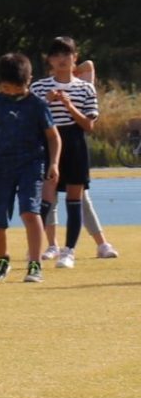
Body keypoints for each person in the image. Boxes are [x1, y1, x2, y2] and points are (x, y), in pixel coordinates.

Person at [0, 53, 60, 284]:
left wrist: (54, 163)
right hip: (1, 167)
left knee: (30, 212)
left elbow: (53, 137)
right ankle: (2, 259)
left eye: (17, 88)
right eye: (6, 87)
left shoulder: (37, 105)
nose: (12, 92)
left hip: (31, 166)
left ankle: (35, 263)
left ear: (29, 81)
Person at [32, 37, 114, 267]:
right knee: (46, 198)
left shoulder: (85, 88)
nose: (61, 60)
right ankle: (39, 247)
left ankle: (69, 251)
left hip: (75, 143)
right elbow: (30, 120)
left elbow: (88, 125)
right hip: (48, 143)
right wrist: (46, 102)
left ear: (74, 58)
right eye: (56, 55)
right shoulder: (39, 87)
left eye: (66, 54)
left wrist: (69, 106)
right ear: (49, 60)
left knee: (75, 198)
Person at [73, 59, 118, 258]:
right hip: (51, 147)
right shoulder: (47, 86)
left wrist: (71, 70)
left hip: (75, 146)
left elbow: (89, 65)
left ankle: (102, 244)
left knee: (82, 198)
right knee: (49, 199)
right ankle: (50, 246)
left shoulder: (80, 86)